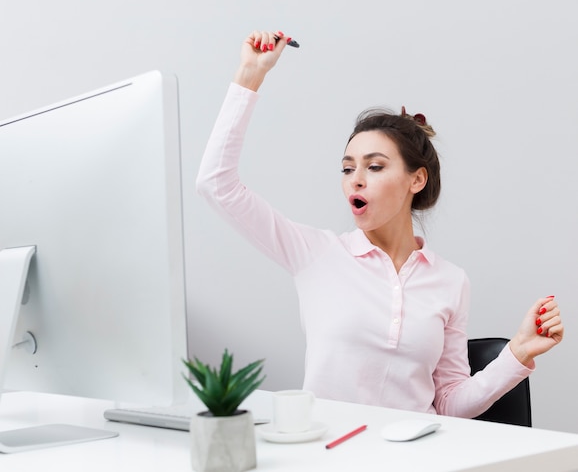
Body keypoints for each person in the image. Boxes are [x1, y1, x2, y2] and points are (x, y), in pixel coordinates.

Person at [196, 29, 564, 417]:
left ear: (415, 180)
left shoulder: (451, 282)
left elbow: (450, 403)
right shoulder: (315, 254)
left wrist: (517, 354)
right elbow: (215, 184)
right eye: (347, 168)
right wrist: (250, 76)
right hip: (334, 454)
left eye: (374, 166)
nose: (355, 178)